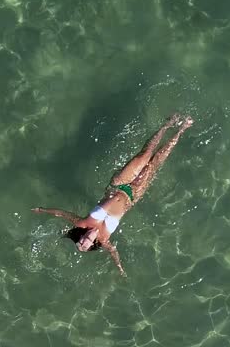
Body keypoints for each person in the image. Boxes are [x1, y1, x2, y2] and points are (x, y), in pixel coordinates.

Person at [32, 113, 195, 276]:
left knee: (144, 155)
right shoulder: (103, 240)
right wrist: (120, 268)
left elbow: (61, 213)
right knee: (155, 162)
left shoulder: (82, 223)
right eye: (85, 244)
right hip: (132, 196)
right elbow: (113, 253)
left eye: (80, 241)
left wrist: (42, 210)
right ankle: (181, 129)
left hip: (119, 184)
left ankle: (167, 124)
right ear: (92, 244)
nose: (83, 241)